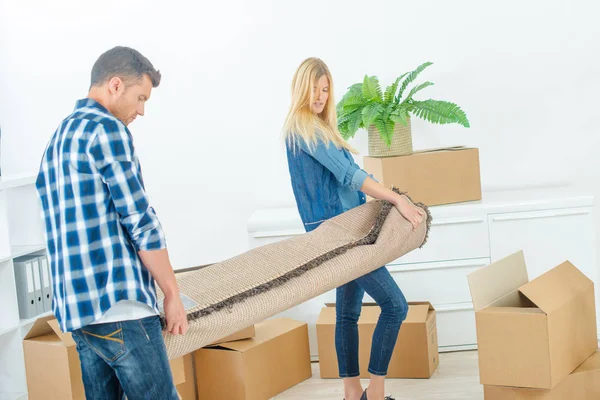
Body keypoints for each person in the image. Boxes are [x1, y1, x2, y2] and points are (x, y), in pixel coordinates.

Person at [36, 46, 188, 400]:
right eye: (140, 98)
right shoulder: (107, 130)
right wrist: (172, 294)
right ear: (115, 85)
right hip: (120, 308)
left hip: (79, 315)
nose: (141, 111)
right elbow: (140, 221)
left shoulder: (57, 140)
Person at [283, 57, 425, 400]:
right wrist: (398, 200)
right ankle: (373, 394)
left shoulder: (321, 128)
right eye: (314, 89)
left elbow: (353, 177)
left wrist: (389, 197)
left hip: (347, 231)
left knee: (347, 314)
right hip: (340, 237)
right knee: (395, 306)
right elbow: (351, 177)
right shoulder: (303, 128)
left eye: (325, 89)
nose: (320, 96)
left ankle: (352, 395)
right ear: (301, 89)